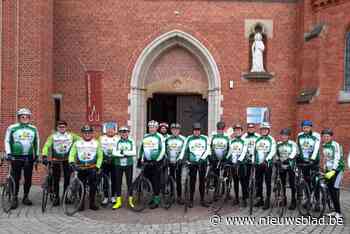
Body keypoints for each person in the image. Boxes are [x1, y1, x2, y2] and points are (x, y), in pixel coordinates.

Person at [4, 108, 40, 209]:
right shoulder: (12, 127)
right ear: (19, 118)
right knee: (16, 177)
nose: (24, 118)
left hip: (29, 156)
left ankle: (25, 197)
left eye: (26, 116)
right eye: (22, 116)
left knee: (28, 178)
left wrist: (37, 154)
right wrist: (9, 153)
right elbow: (7, 140)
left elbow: (37, 141)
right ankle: (14, 198)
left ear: (29, 118)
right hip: (16, 156)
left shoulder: (33, 128)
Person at [41, 120, 80, 206]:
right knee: (56, 180)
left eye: (63, 127)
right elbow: (46, 146)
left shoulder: (71, 135)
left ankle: (65, 197)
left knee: (67, 179)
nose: (62, 128)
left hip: (67, 160)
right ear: (57, 128)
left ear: (66, 127)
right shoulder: (53, 136)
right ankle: (56, 197)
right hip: (56, 160)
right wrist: (44, 155)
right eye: (60, 127)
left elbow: (82, 140)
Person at [68, 125, 103, 211]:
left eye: (89, 132)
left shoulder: (96, 143)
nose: (87, 134)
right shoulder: (77, 143)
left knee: (93, 186)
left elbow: (100, 155)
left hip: (92, 167)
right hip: (81, 167)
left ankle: (92, 203)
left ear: (92, 133)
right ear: (82, 133)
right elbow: (72, 153)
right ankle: (81, 204)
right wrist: (71, 162)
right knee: (81, 186)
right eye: (85, 132)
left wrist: (98, 166)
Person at [179, 122, 210, 208]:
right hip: (192, 163)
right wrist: (181, 158)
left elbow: (208, 150)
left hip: (202, 163)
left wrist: (202, 159)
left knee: (202, 182)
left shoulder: (205, 138)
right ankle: (191, 200)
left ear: (200, 131)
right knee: (192, 182)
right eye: (195, 130)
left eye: (198, 130)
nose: (197, 132)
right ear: (193, 131)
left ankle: (202, 200)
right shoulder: (189, 138)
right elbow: (184, 149)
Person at [138, 120, 166, 209]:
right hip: (147, 162)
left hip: (156, 162)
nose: (151, 129)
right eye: (150, 127)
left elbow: (163, 150)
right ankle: (151, 197)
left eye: (153, 127)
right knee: (148, 180)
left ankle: (156, 200)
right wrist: (140, 159)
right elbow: (142, 149)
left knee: (156, 181)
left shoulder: (160, 137)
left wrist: (157, 160)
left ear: (157, 128)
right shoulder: (145, 136)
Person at [297, 120, 321, 211]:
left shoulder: (316, 135)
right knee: (307, 181)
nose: (305, 129)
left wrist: (312, 159)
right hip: (304, 161)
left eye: (307, 127)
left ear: (311, 127)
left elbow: (316, 148)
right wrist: (297, 156)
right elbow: (298, 147)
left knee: (315, 181)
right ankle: (308, 200)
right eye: (304, 127)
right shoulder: (300, 135)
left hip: (313, 161)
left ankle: (317, 201)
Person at [321, 128, 345, 219]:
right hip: (329, 170)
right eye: (324, 136)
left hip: (337, 170)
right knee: (330, 190)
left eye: (328, 136)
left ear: (331, 137)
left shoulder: (335, 145)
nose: (326, 138)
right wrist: (324, 167)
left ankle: (339, 212)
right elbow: (325, 158)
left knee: (335, 190)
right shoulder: (324, 145)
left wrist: (334, 170)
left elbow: (337, 158)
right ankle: (334, 211)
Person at [112, 126, 136, 209]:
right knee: (118, 183)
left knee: (129, 182)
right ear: (120, 133)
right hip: (118, 164)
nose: (124, 133)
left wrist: (122, 152)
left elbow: (134, 152)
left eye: (125, 132)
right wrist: (126, 153)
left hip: (128, 164)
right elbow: (114, 153)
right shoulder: (116, 141)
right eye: (122, 132)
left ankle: (130, 200)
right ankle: (118, 201)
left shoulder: (131, 141)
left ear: (128, 132)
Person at [254, 122, 276, 210]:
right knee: (258, 182)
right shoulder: (258, 139)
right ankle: (260, 199)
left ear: (268, 130)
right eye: (262, 129)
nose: (264, 131)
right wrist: (254, 161)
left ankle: (267, 199)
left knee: (267, 182)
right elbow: (254, 151)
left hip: (267, 164)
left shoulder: (271, 139)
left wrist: (267, 159)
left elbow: (273, 151)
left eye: (265, 129)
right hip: (258, 164)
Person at [276, 128, 298, 210]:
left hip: (290, 165)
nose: (284, 137)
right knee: (282, 183)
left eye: (286, 135)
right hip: (282, 165)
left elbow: (294, 152)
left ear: (288, 136)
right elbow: (277, 154)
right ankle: (283, 199)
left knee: (292, 184)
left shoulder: (293, 144)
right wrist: (278, 160)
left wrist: (288, 159)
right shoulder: (278, 144)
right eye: (282, 135)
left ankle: (293, 200)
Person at [165, 123, 186, 204]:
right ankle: (172, 196)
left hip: (178, 162)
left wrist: (180, 159)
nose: (175, 131)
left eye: (176, 130)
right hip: (170, 162)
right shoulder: (167, 139)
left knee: (178, 179)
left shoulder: (183, 139)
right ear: (171, 130)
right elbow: (165, 150)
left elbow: (184, 150)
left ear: (179, 130)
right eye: (173, 130)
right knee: (171, 179)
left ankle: (179, 196)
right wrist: (167, 158)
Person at [99, 122, 119, 205]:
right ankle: (106, 197)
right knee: (105, 180)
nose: (110, 131)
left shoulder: (118, 138)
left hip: (115, 162)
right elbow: (99, 149)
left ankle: (114, 197)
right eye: (108, 129)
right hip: (105, 162)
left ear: (115, 130)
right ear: (106, 130)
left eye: (112, 129)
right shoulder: (101, 138)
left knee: (115, 179)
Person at [230, 124, 248, 206]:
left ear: (241, 131)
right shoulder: (232, 141)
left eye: (238, 130)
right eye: (235, 130)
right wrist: (227, 160)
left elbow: (244, 152)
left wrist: (239, 161)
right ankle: (236, 198)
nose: (237, 131)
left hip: (241, 164)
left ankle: (244, 199)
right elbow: (230, 152)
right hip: (234, 165)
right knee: (235, 182)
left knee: (243, 182)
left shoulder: (245, 141)